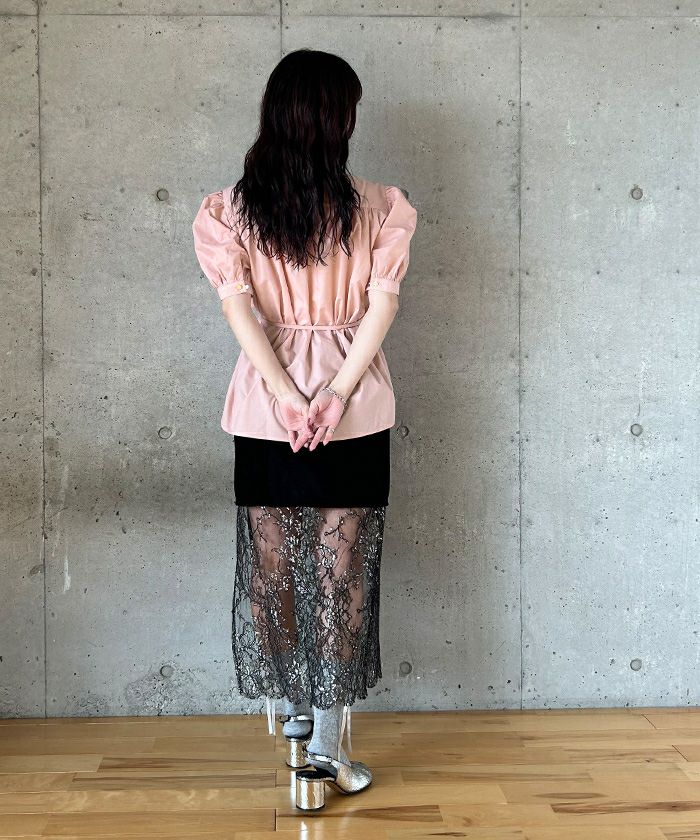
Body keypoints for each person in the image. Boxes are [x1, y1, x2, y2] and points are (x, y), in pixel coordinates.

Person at [191, 48, 418, 809]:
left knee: (274, 566)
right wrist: (335, 394)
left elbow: (238, 311)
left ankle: (293, 721)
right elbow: (381, 306)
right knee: (340, 569)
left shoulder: (229, 210)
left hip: (266, 408)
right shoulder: (381, 205)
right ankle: (325, 749)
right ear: (333, 119)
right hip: (353, 407)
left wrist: (287, 396)